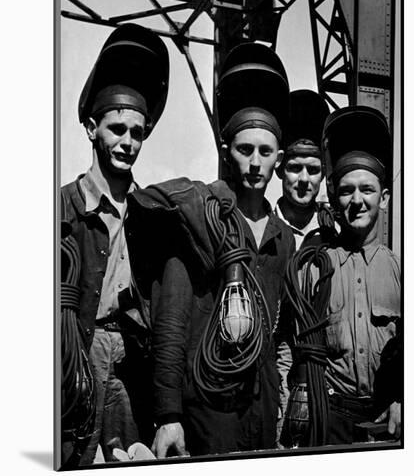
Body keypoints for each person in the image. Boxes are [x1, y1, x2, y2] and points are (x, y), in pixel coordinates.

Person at [126, 42, 295, 457]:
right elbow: (172, 321)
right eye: (244, 150)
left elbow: (280, 333)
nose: (255, 163)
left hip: (262, 402)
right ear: (227, 152)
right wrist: (168, 416)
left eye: (265, 152)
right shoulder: (199, 217)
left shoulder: (282, 238)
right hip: (208, 406)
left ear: (279, 158)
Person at [60, 23, 170, 465]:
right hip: (75, 356)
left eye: (137, 133)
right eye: (117, 129)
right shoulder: (62, 209)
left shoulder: (151, 217)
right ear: (91, 128)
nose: (128, 142)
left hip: (130, 366)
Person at [282, 105, 401, 446]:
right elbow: (291, 348)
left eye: (368, 190)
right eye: (347, 190)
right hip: (328, 419)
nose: (358, 201)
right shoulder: (313, 268)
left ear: (385, 197)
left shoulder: (400, 271)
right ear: (334, 196)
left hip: (387, 421)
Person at [275, 89, 333, 250]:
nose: (304, 179)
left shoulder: (336, 233)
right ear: (279, 169)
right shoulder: (260, 228)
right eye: (295, 168)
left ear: (323, 174)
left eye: (313, 170)